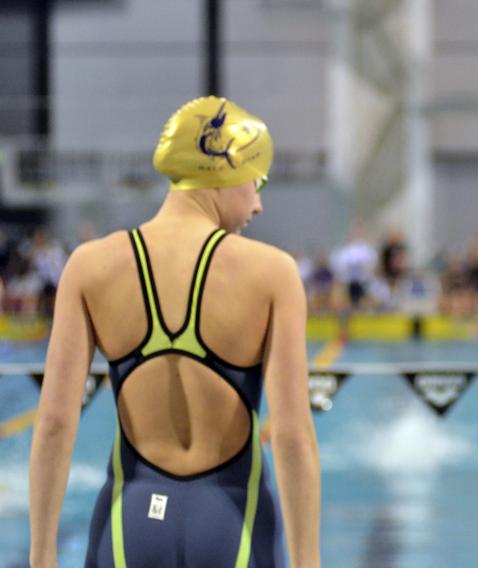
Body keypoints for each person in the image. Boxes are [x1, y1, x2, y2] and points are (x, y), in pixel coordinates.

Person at [29, 97, 320, 568]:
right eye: (257, 181)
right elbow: (291, 435)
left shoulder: (90, 267)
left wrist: (41, 555)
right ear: (224, 172)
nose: (259, 204)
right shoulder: (273, 273)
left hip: (130, 524)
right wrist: (310, 561)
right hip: (233, 522)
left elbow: (56, 423)